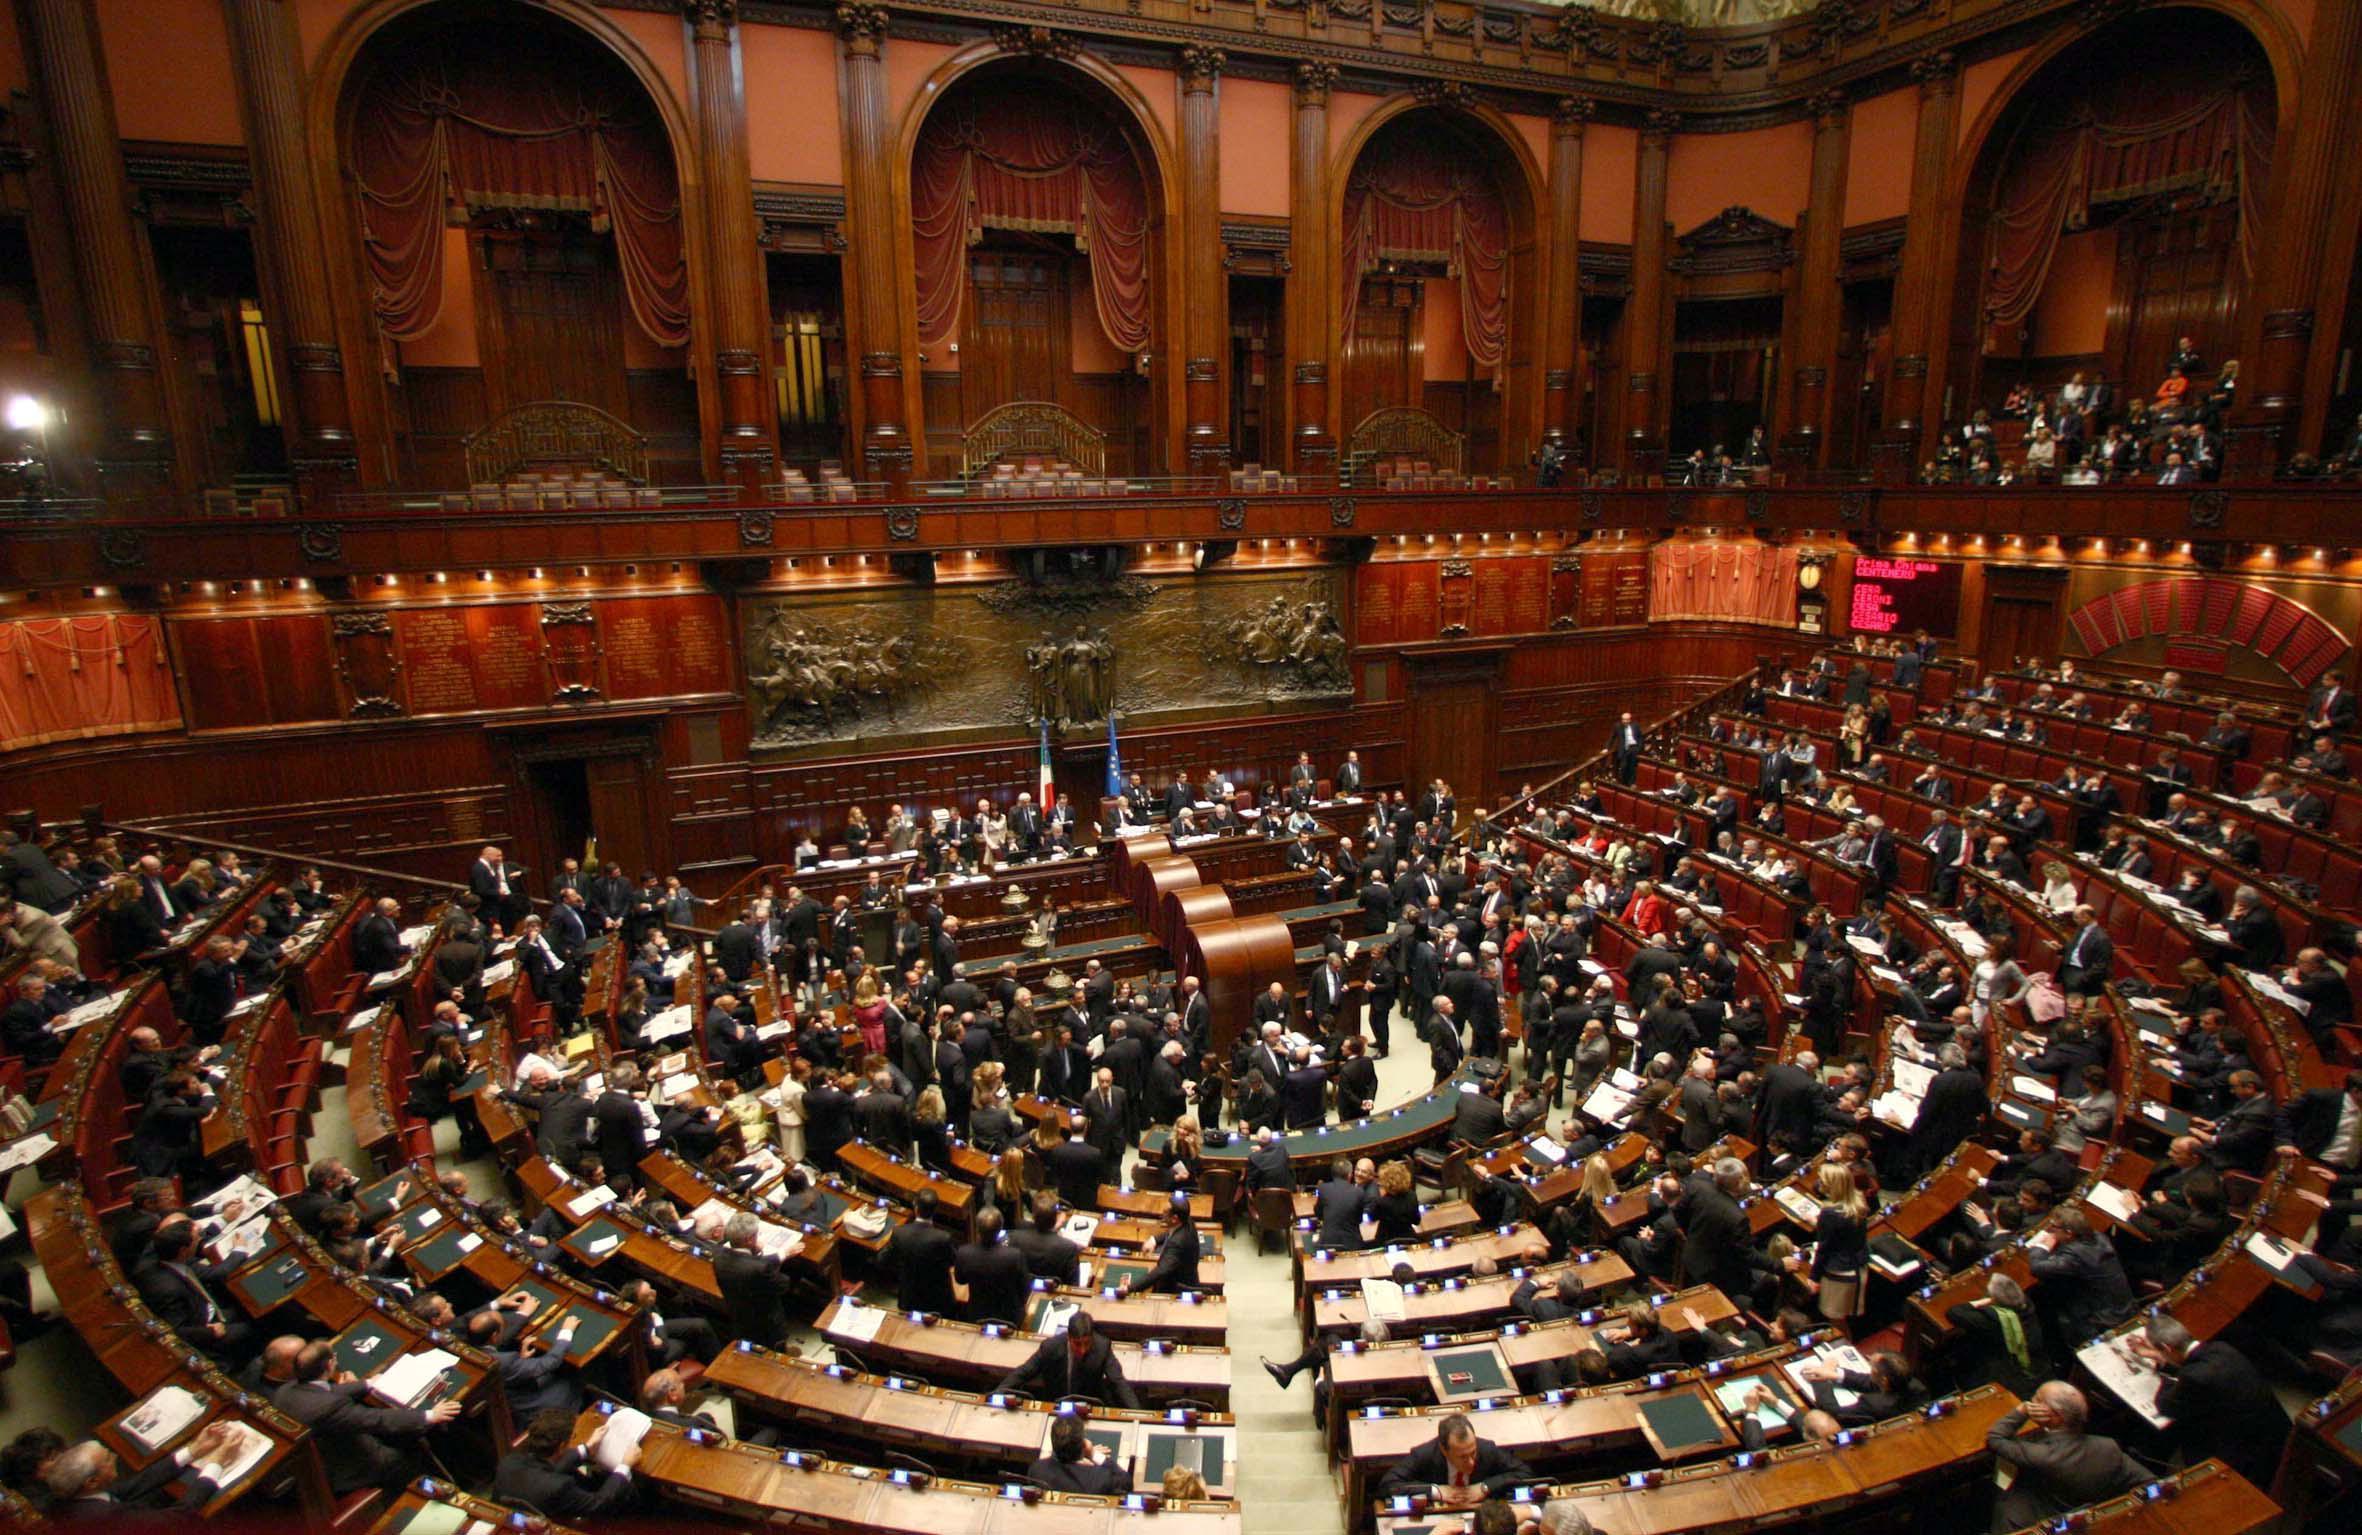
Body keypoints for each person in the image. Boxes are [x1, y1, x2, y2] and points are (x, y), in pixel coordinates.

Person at [272, 1341, 460, 1494]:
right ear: (330, 1364)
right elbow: (378, 1419)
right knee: (408, 1449)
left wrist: (368, 1384)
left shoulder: (286, 1390)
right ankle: (431, 1492)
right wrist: (431, 1415)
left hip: (322, 1453)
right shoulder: (328, 1407)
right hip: (347, 1468)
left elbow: (326, 1391)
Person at [2127, 1314, 2287, 1490]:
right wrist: (2161, 1357)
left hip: (2246, 1448)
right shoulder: (2220, 1347)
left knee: (2174, 1429)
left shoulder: (2195, 1377)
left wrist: (2162, 1369)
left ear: (2166, 1348)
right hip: (2274, 1428)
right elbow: (2192, 1368)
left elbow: (2165, 1405)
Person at [1984, 1383, 2153, 1532]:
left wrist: (2022, 1411)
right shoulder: (2108, 1447)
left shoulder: (2042, 1454)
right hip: (2082, 1519)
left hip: (2033, 1519)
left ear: (2056, 1416)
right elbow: (2148, 1480)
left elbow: (1995, 1438)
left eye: (2038, 1399)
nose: (2031, 1401)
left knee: (2002, 1500)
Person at [492, 1408, 640, 1520]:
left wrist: (586, 1448)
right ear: (562, 1446)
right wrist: (624, 1466)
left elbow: (548, 1469)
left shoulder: (508, 1462)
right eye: (573, 1437)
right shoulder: (560, 1487)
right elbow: (599, 1503)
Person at [1375, 1413, 1536, 1506]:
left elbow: (1525, 1473)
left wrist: (1485, 1487)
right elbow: (1387, 1486)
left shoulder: (1486, 1449)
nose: (1471, 1462)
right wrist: (1436, 1491)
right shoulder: (1425, 1455)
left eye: (1473, 1453)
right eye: (1463, 1457)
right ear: (1444, 1450)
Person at [995, 1312, 1141, 1408]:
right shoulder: (1050, 1347)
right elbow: (1024, 1372)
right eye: (1077, 1344)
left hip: (1090, 1407)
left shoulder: (1103, 1346)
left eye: (1087, 1343)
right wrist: (997, 1394)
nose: (1082, 1350)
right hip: (1056, 1406)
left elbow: (1118, 1381)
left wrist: (1137, 1413)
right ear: (1068, 1337)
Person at [1029, 1414, 1123, 1495]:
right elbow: (1125, 1481)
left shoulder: (1037, 1469)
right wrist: (1093, 1455)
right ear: (1083, 1446)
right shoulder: (1099, 1478)